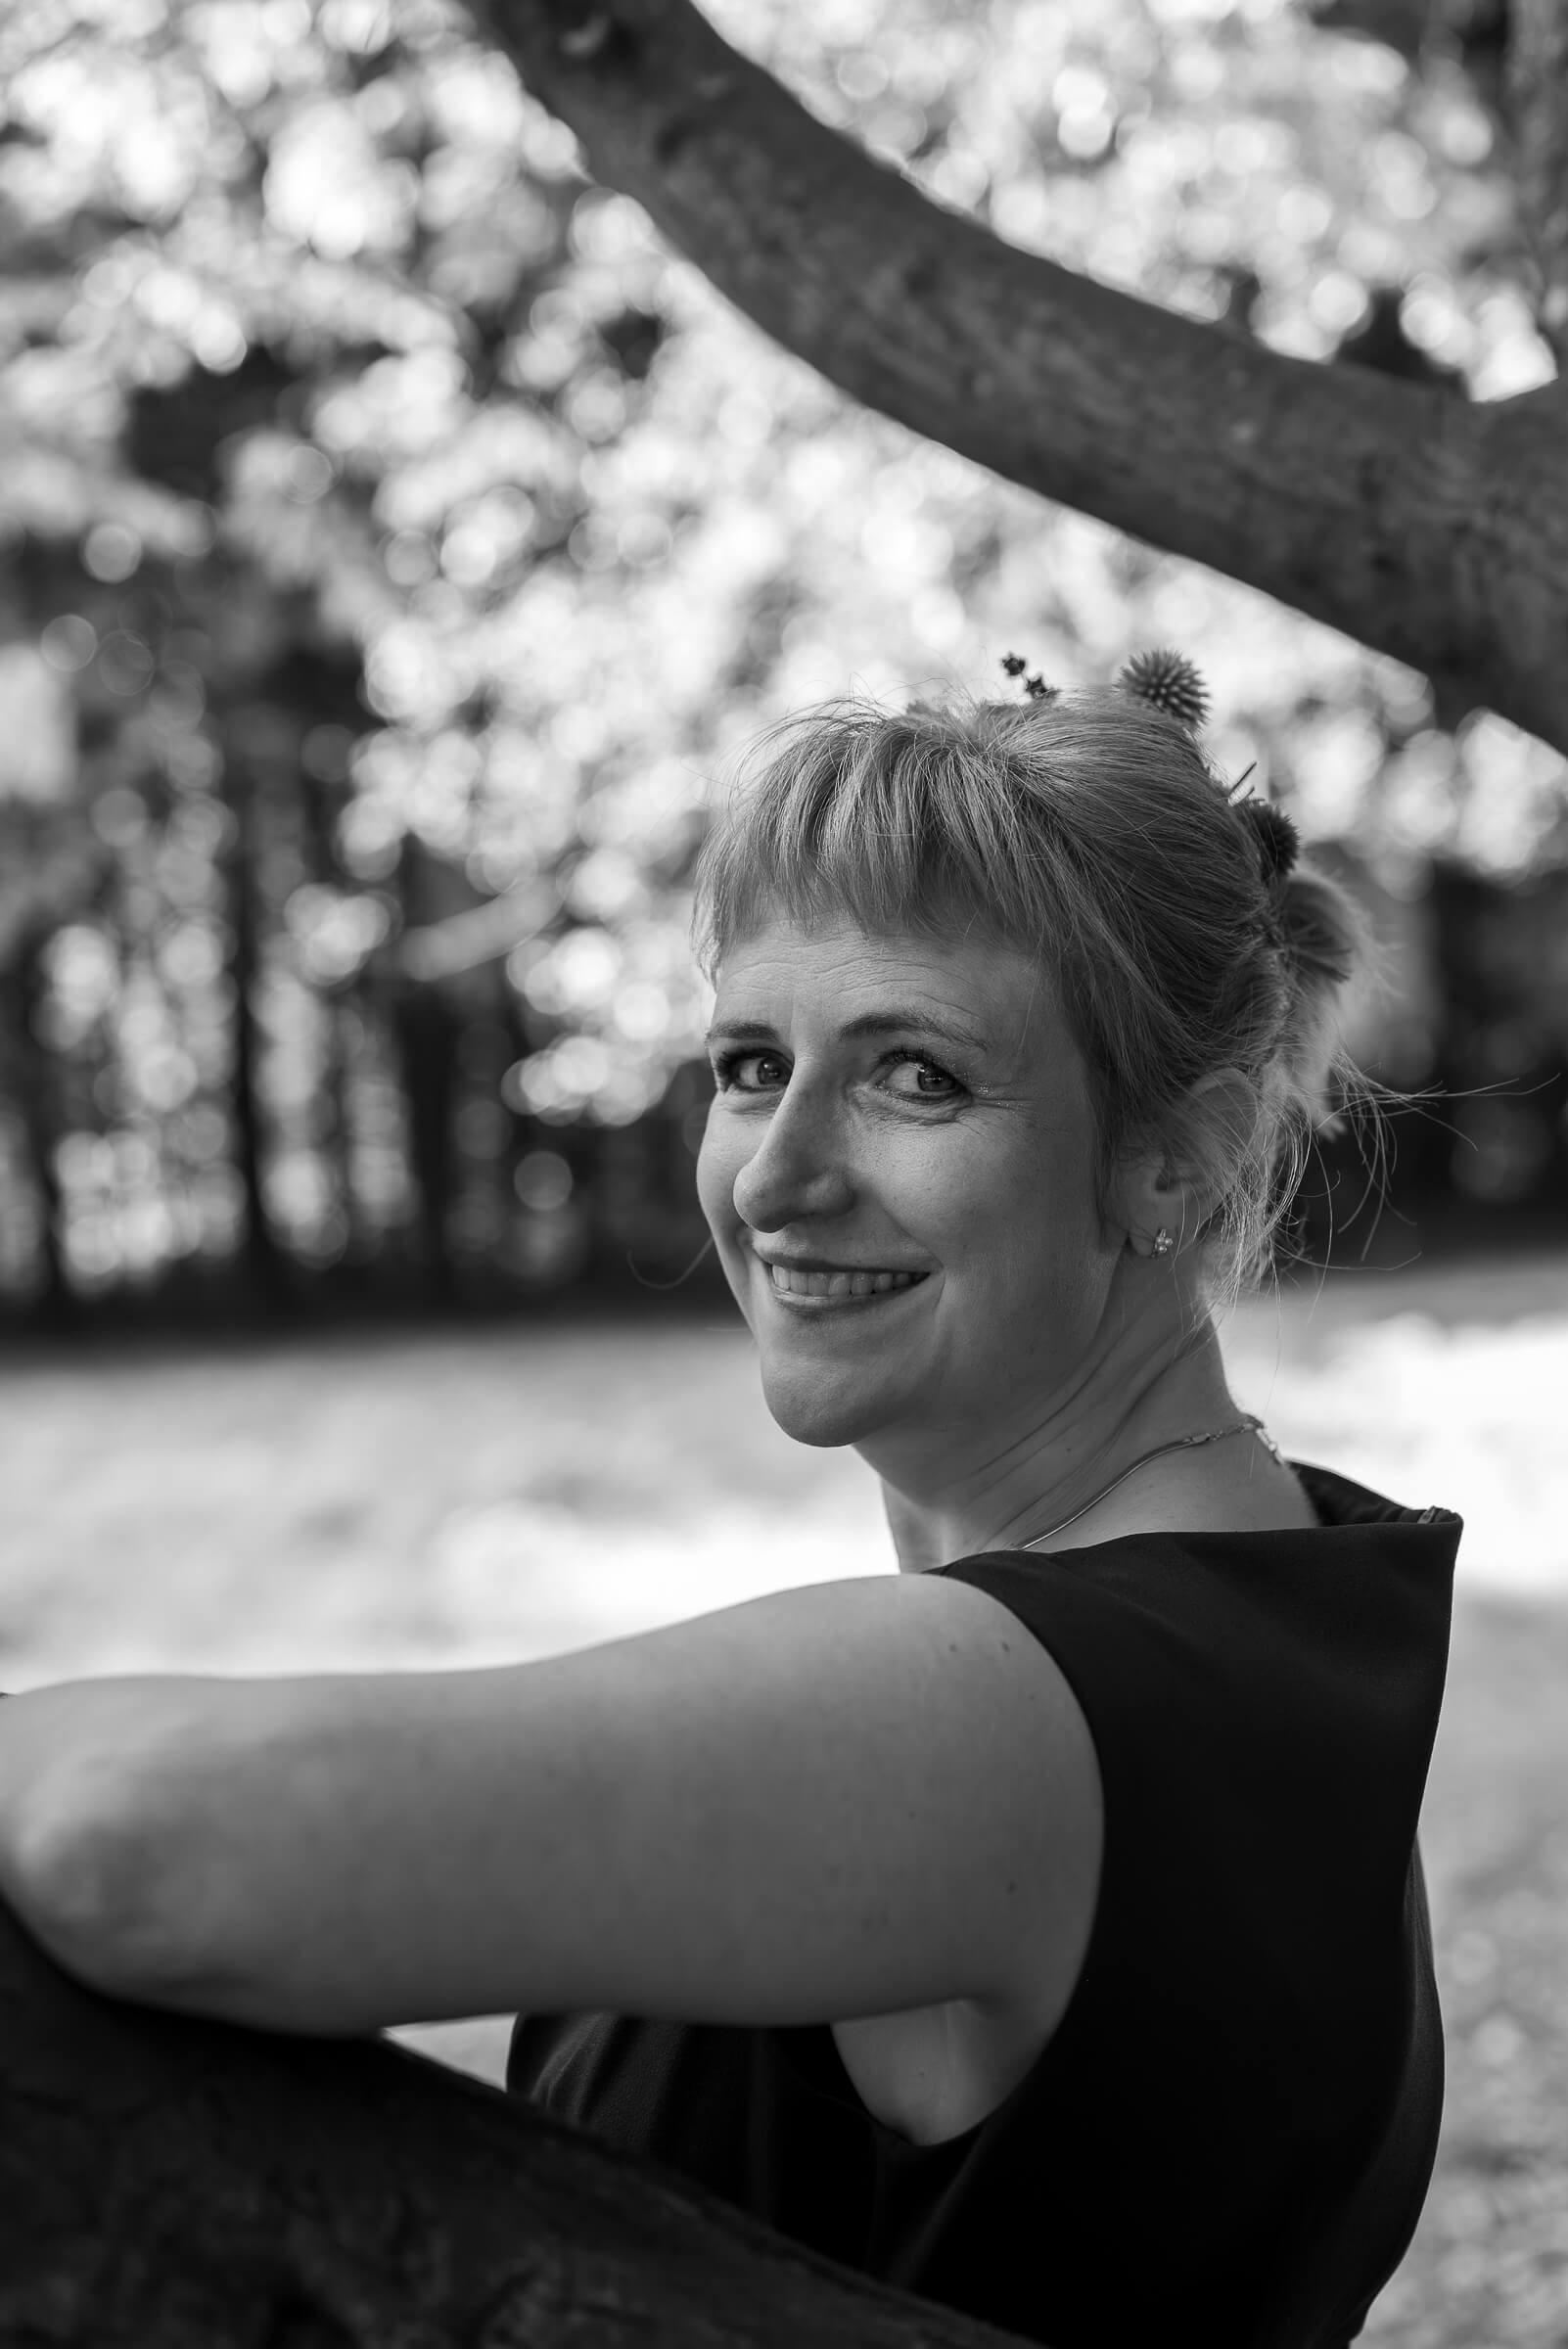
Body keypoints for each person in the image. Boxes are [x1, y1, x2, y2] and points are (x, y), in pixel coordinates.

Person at [0, 658, 1459, 2349]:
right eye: (752, 1064)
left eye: (915, 1075)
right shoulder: (1287, 1608)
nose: (773, 1176)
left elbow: (132, 1841)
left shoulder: (1039, 1708)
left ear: (1171, 1157)